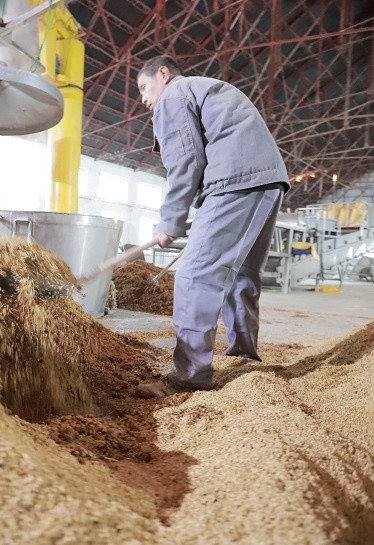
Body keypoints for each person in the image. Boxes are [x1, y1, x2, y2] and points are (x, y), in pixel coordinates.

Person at [133, 54, 289, 398]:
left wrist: (170, 220)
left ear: (163, 74)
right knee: (242, 275)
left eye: (145, 88)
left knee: (194, 275)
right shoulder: (205, 90)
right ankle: (244, 352)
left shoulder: (174, 95)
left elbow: (186, 160)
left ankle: (189, 375)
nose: (144, 99)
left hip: (234, 181)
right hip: (267, 181)